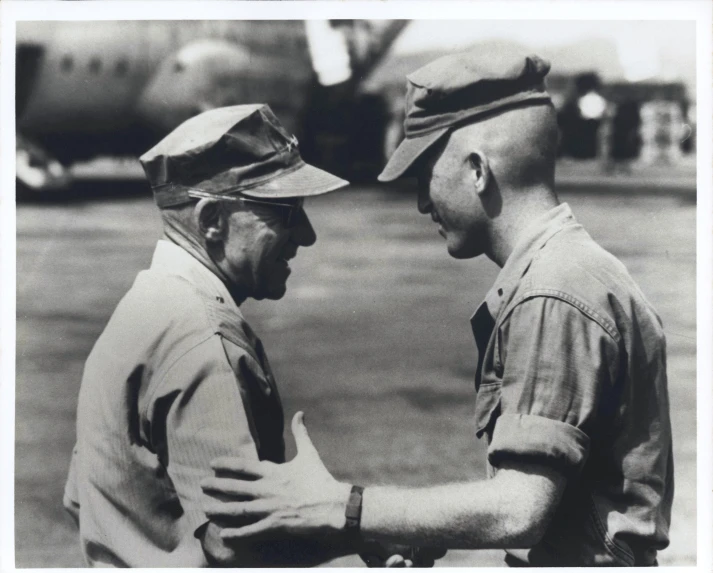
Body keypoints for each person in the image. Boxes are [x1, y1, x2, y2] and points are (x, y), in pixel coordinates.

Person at [199, 52, 674, 567]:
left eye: (425, 174)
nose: (423, 202)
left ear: (477, 171)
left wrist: (344, 507)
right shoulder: (574, 268)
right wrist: (409, 524)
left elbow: (519, 511)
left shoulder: (550, 291)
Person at [62, 104, 423, 567]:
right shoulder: (203, 339)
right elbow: (235, 540)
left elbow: (81, 497)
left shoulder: (143, 306)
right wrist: (366, 531)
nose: (307, 235)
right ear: (212, 219)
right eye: (285, 211)